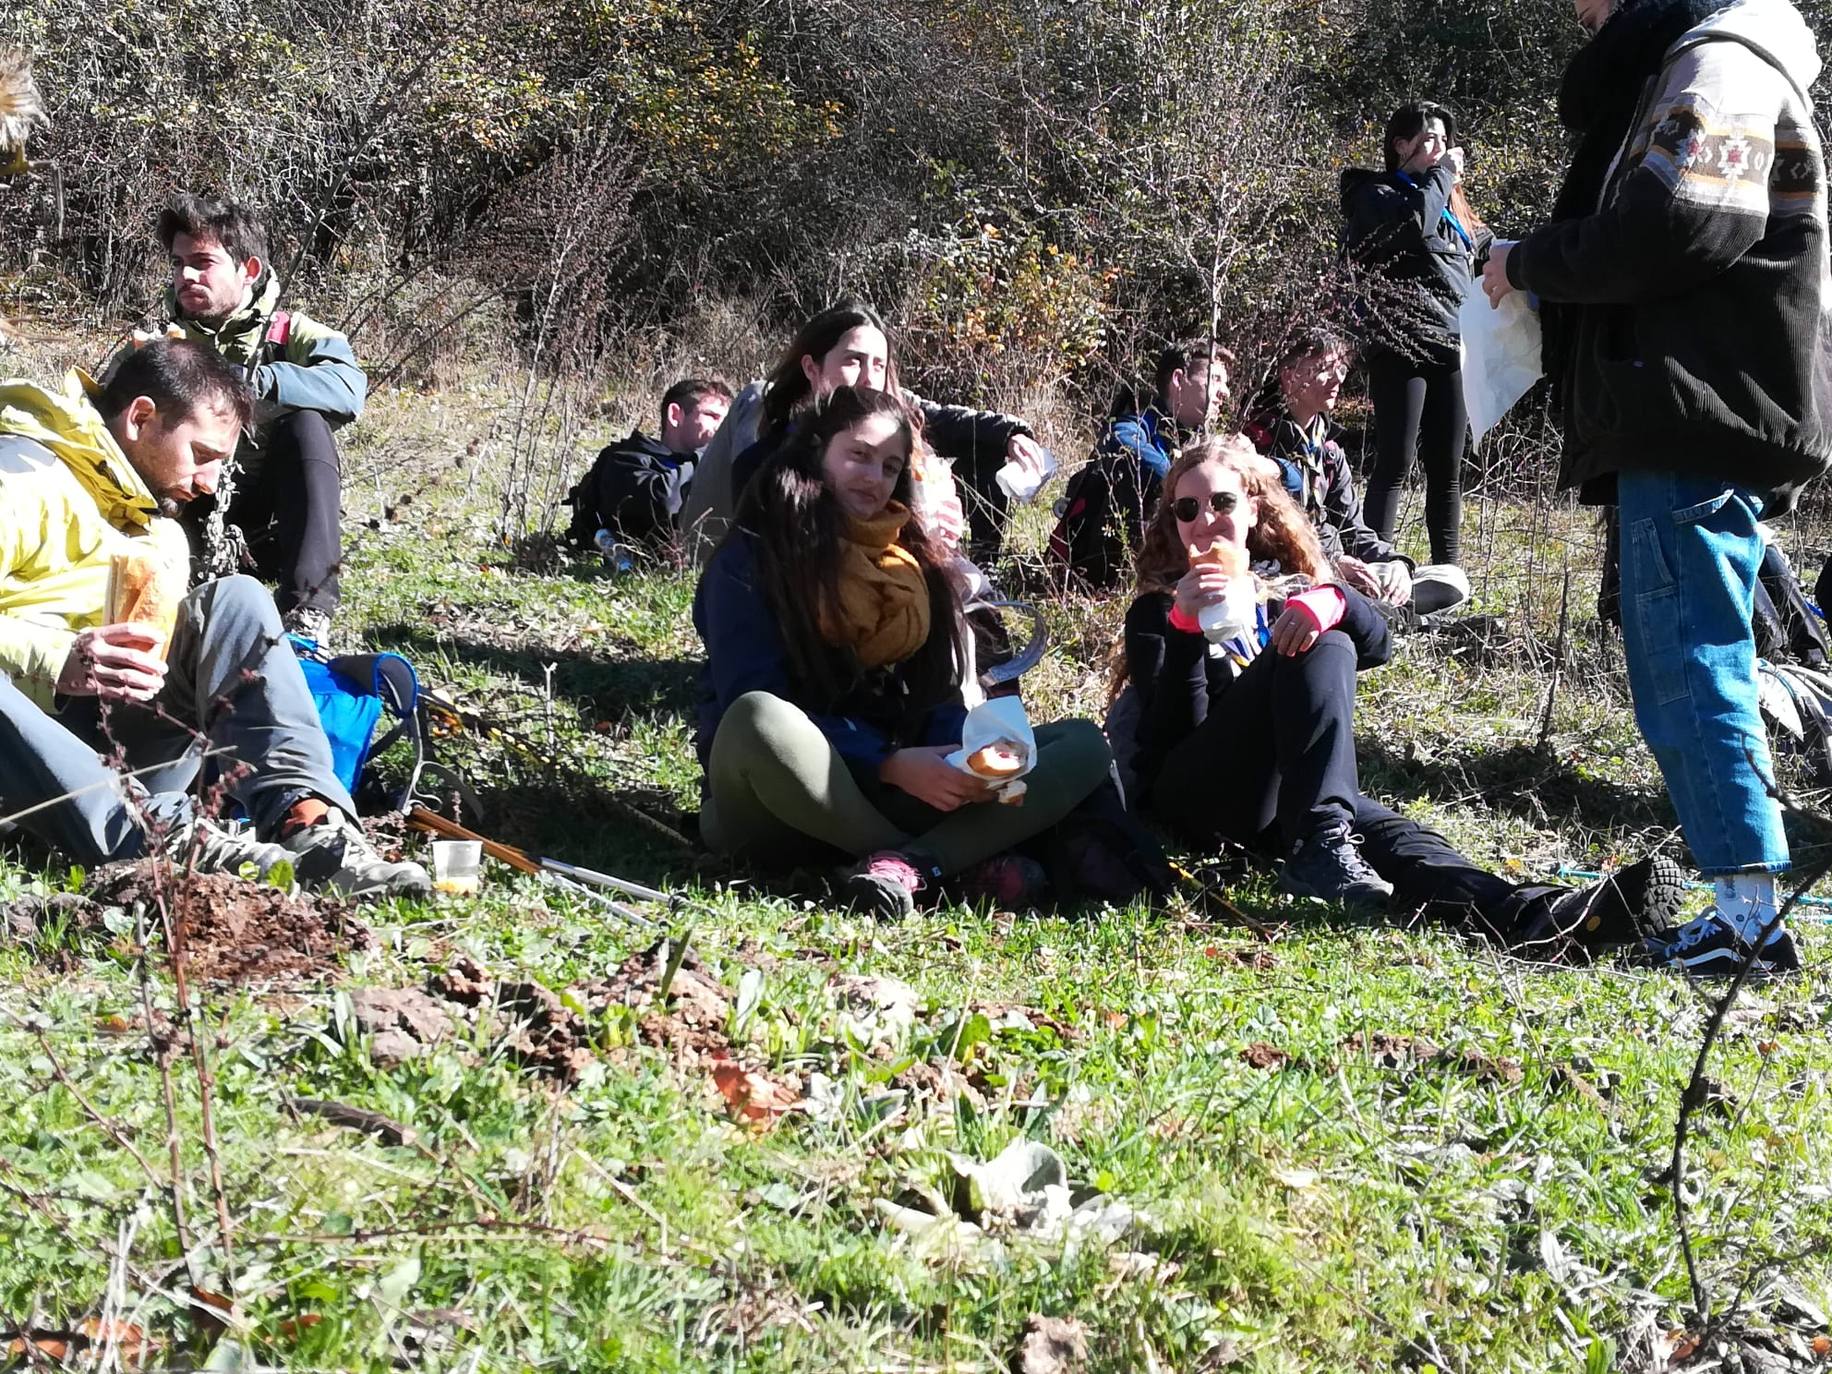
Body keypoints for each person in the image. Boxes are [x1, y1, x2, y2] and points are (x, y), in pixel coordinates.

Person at [1481, 0, 1830, 975]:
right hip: (1699, 404)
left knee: (1691, 664)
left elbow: (1675, 221)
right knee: (1694, 659)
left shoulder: (1715, 60)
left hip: (1690, 408)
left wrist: (1529, 261)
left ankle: (1746, 925)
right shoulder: (1709, 57)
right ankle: (1743, 908)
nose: (1576, 10)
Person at [1111, 437, 1684, 949]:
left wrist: (1332, 600)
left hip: (1284, 799)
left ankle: (1538, 917)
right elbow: (1169, 741)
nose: (1204, 520)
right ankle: (1322, 841)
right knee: (1318, 643)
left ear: (1253, 510)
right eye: (1188, 509)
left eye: (1221, 504)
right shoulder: (1157, 612)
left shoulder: (1276, 596)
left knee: (1394, 834)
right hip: (1196, 799)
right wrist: (1186, 631)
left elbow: (1378, 644)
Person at [0, 341, 429, 898]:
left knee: (236, 599)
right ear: (141, 418)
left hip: (100, 754)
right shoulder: (24, 475)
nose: (207, 482)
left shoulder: (153, 516)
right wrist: (56, 657)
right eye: (200, 454)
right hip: (20, 757)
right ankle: (166, 841)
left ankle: (310, 828)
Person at [692, 386, 1121, 917]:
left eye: (891, 466)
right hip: (782, 796)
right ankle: (943, 861)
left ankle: (909, 868)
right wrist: (887, 764)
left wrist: (955, 762)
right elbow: (752, 692)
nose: (874, 479)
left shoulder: (913, 563)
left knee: (1081, 742)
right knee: (758, 717)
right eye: (858, 456)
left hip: (893, 785)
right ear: (817, 452)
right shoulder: (751, 558)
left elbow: (937, 695)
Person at [128, 193, 366, 647]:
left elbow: (348, 388)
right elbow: (106, 415)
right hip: (186, 515)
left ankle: (306, 614)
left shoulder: (291, 333)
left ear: (248, 269)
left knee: (307, 426)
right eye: (179, 264)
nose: (187, 276)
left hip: (272, 526)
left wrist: (250, 382)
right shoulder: (159, 346)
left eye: (203, 262)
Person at [681, 299, 1051, 562]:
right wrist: (920, 520)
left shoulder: (876, 400)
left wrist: (1010, 432)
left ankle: (982, 566)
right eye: (852, 361)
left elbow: (943, 419)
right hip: (744, 565)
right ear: (812, 368)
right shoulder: (762, 408)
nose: (866, 378)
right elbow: (764, 518)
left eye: (878, 364)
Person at [1341, 101, 1489, 572]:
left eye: (1445, 140)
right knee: (1394, 464)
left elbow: (1486, 251)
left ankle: (1448, 577)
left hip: (1450, 343)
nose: (1440, 149)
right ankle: (1374, 572)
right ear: (1399, 145)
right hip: (1399, 345)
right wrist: (1442, 176)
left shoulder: (1451, 206)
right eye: (1428, 139)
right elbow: (1410, 227)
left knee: (1447, 472)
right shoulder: (1374, 193)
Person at [1241, 329, 1470, 619]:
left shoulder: (1329, 450)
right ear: (1289, 375)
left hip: (1343, 570)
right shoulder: (1257, 446)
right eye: (1326, 369)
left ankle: (1377, 612)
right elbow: (1268, 540)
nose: (1338, 379)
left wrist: (1396, 563)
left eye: (1341, 368)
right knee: (1298, 590)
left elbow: (1353, 528)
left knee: (1453, 579)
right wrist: (1334, 562)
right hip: (1294, 572)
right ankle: (1386, 617)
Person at [1048, 338, 1232, 588]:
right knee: (1134, 468)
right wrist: (1183, 481)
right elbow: (1120, 441)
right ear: (1179, 380)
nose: (1225, 392)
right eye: (1216, 379)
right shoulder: (1137, 425)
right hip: (1098, 576)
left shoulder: (1202, 440)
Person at [566, 378, 733, 553]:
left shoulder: (710, 465)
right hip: (630, 567)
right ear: (676, 415)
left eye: (725, 421)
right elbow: (666, 503)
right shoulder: (624, 460)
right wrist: (711, 454)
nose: (721, 428)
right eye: (712, 416)